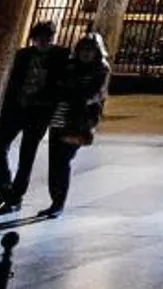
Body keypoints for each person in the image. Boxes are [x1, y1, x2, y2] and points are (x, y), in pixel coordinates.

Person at [0, 21, 69, 215]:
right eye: (40, 39)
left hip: (39, 113)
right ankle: (6, 190)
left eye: (48, 38)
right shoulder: (22, 56)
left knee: (26, 155)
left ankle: (15, 197)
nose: (44, 42)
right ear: (33, 39)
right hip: (15, 110)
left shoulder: (61, 56)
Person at [41, 32, 109, 218]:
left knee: (63, 160)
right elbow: (56, 87)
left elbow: (92, 95)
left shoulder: (100, 70)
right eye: (83, 50)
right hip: (59, 118)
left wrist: (70, 90)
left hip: (78, 121)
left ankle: (58, 202)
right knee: (54, 161)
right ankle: (54, 200)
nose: (86, 54)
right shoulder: (70, 67)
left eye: (90, 50)